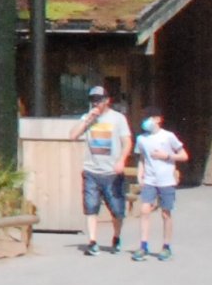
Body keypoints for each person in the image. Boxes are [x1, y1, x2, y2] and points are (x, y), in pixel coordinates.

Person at [76, 84, 133, 258]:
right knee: (91, 207)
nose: (95, 104)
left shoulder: (118, 119)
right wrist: (87, 121)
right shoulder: (87, 117)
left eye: (98, 100)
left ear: (107, 100)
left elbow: (128, 142)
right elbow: (72, 135)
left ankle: (116, 237)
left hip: (111, 172)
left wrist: (122, 160)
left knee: (116, 210)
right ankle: (92, 241)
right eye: (92, 100)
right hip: (91, 170)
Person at [131, 112, 187, 262]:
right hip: (150, 179)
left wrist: (167, 156)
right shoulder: (141, 139)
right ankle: (143, 245)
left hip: (166, 180)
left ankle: (166, 246)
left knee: (165, 213)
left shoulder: (168, 136)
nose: (146, 122)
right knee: (144, 210)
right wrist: (140, 173)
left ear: (158, 119)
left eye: (148, 118)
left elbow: (184, 155)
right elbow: (143, 158)